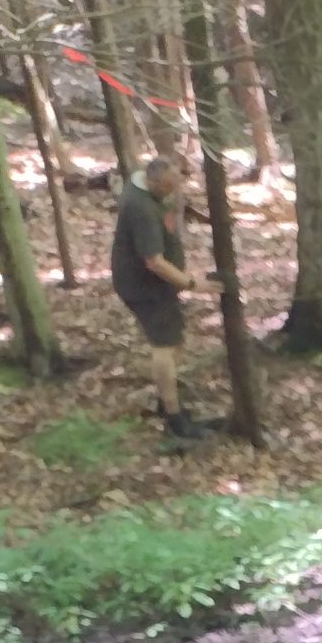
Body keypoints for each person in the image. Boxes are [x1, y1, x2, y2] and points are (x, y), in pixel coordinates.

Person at [109, 145, 205, 441]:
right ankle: (174, 418)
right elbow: (154, 262)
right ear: (153, 181)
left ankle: (168, 401)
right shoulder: (142, 208)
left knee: (174, 341)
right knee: (164, 345)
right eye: (167, 188)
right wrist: (191, 284)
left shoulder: (142, 183)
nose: (172, 193)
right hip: (144, 285)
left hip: (157, 284)